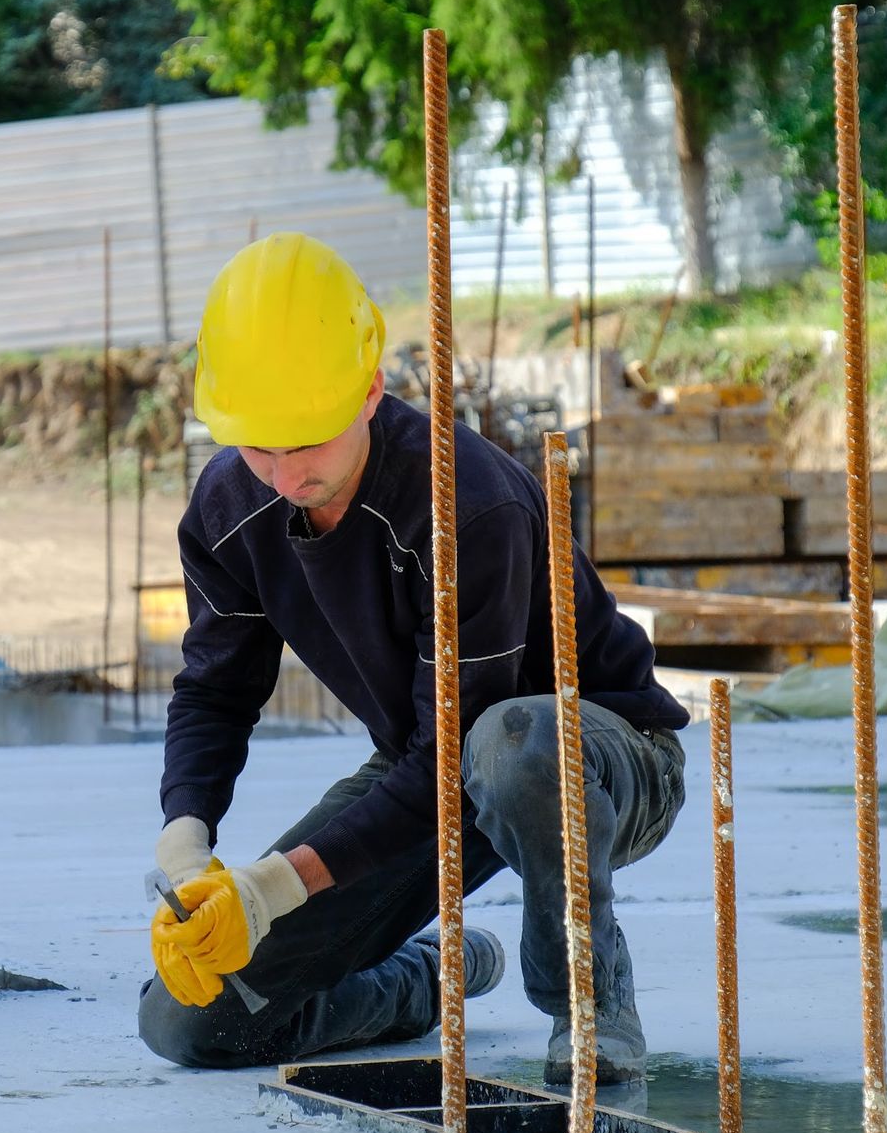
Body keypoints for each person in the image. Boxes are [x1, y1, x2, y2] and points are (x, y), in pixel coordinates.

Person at [139, 234, 690, 1082]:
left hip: (602, 759)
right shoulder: (227, 508)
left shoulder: (467, 502)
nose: (284, 475)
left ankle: (591, 1001)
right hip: (428, 775)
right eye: (259, 447)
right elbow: (216, 690)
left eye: (308, 441)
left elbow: (467, 747)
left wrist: (277, 885)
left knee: (513, 743)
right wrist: (187, 841)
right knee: (191, 1019)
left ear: (370, 391)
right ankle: (429, 978)